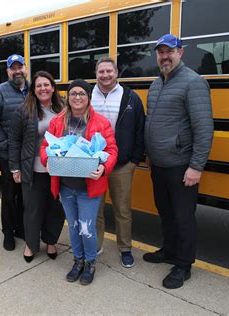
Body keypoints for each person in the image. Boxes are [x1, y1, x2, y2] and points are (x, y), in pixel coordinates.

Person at [143, 34, 213, 289]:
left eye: (169, 51)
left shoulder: (193, 83)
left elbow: (203, 128)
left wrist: (196, 166)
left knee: (184, 217)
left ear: (180, 52)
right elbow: (152, 122)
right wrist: (149, 153)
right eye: (160, 52)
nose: (164, 56)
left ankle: (183, 265)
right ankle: (169, 251)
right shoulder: (155, 84)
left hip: (181, 166)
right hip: (159, 165)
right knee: (166, 213)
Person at [40, 79, 118, 285]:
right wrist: (47, 160)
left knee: (87, 227)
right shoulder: (58, 121)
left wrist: (103, 168)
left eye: (81, 93)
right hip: (66, 186)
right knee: (74, 227)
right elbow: (45, 147)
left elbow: (111, 150)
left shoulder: (100, 122)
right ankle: (78, 261)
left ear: (89, 97)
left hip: (89, 186)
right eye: (73, 93)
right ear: (68, 97)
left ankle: (90, 263)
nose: (77, 97)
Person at [91, 57, 145, 268]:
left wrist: (134, 159)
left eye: (109, 71)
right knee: (95, 209)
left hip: (121, 164)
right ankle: (96, 246)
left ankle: (125, 248)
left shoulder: (130, 97)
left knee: (122, 210)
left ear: (117, 73)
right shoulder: (87, 95)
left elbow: (140, 128)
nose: (105, 75)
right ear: (96, 74)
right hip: (93, 163)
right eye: (101, 71)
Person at [9, 71, 65, 263]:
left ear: (53, 87)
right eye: (38, 85)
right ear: (33, 89)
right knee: (33, 209)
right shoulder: (24, 110)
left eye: (46, 84)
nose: (43, 88)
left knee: (55, 209)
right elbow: (14, 141)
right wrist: (15, 168)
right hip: (32, 170)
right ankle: (31, 244)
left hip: (58, 169)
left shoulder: (63, 108)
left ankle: (50, 241)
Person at [0, 54, 29, 251]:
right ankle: (8, 233)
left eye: (20, 67)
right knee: (9, 196)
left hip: (29, 154)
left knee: (26, 195)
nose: (17, 71)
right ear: (8, 71)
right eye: (13, 68)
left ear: (26, 68)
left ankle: (21, 229)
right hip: (8, 155)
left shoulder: (32, 90)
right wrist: (5, 144)